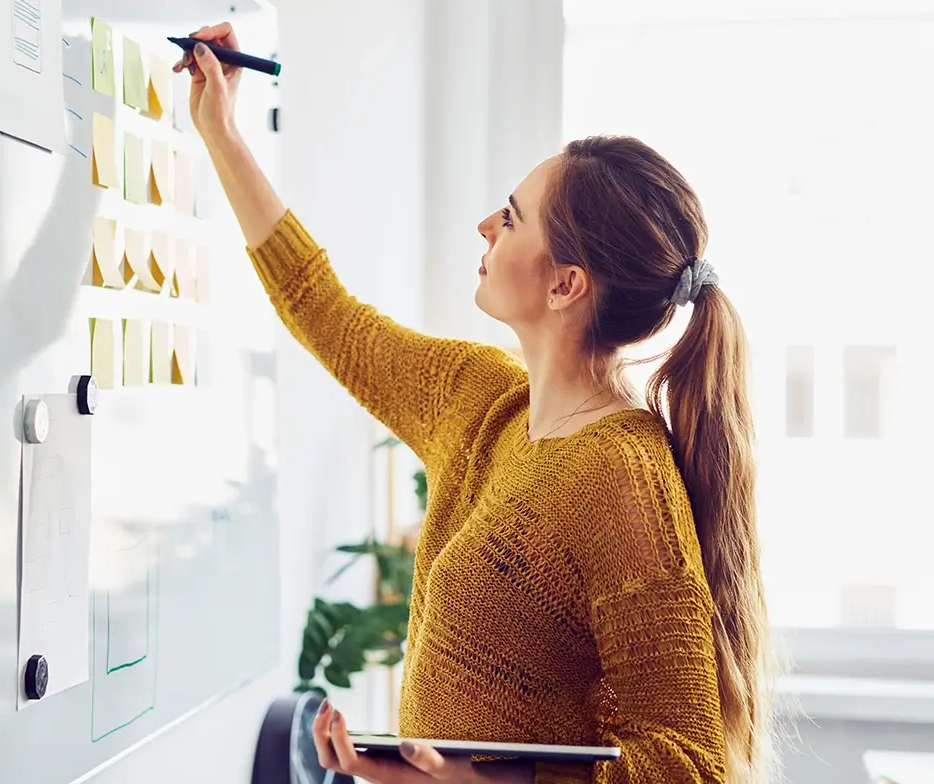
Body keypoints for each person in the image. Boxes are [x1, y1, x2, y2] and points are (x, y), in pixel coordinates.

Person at [176, 23, 775, 784]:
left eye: (513, 216)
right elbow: (321, 309)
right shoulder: (480, 399)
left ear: (565, 284)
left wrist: (486, 783)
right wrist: (222, 131)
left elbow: (690, 767)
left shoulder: (623, 480)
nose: (487, 226)